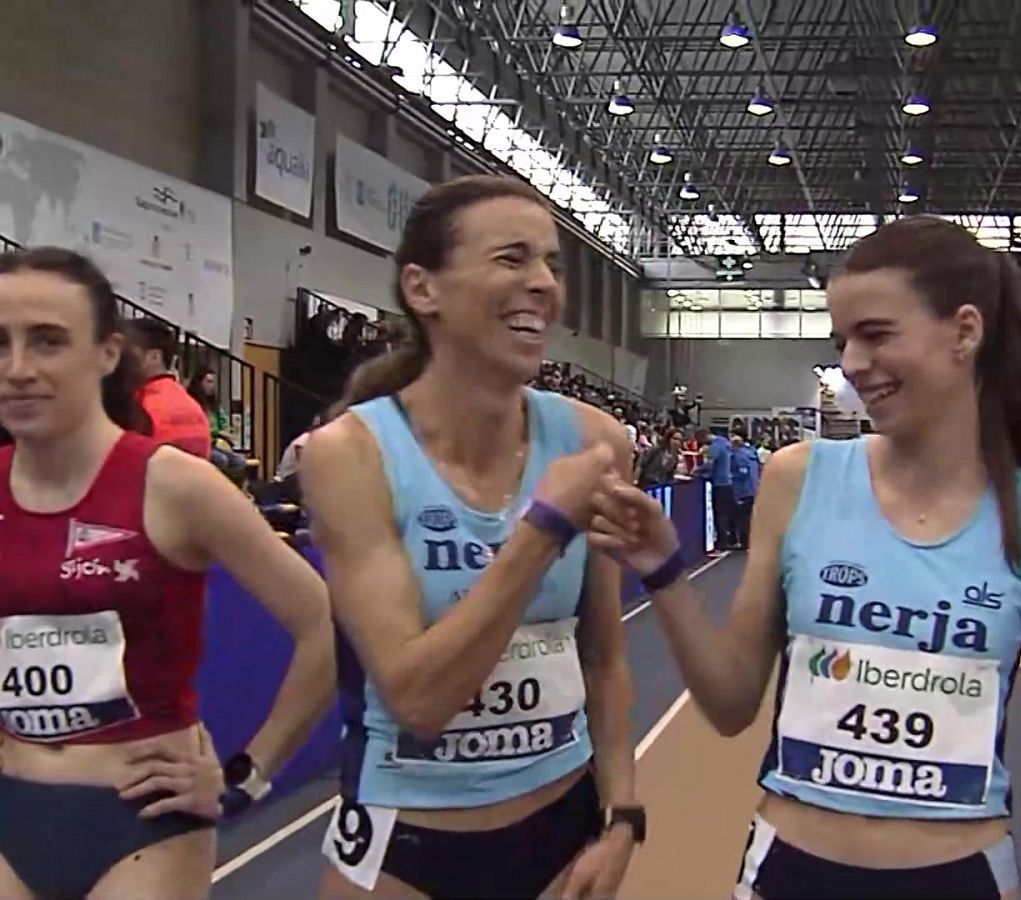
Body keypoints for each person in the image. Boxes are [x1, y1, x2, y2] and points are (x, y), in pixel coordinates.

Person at [587, 215, 1021, 899]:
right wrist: (663, 569)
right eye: (842, 340)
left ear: (965, 332)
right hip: (793, 871)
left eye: (877, 334)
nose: (852, 364)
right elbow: (733, 702)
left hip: (961, 876)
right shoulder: (799, 479)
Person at [297, 175, 642, 899]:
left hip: (563, 832)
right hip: (407, 838)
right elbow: (420, 701)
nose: (543, 284)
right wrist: (541, 530)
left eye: (552, 263)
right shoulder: (350, 456)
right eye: (512, 259)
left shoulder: (593, 440)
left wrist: (623, 818)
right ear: (423, 289)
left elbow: (604, 658)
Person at [0, 247, 336, 898]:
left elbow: (324, 621)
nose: (18, 369)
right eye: (0, 343)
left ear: (106, 352)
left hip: (141, 820)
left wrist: (248, 775)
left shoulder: (174, 485)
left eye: (47, 342)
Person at [124, 317, 211, 458]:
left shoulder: (138, 406)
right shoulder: (193, 406)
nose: (119, 360)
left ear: (154, 357)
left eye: (128, 354)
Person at [729, 433, 760, 550]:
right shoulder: (751, 454)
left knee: (742, 518)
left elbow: (742, 473)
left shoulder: (738, 456)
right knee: (748, 518)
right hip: (752, 489)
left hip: (742, 490)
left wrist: (730, 476)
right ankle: (748, 541)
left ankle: (743, 542)